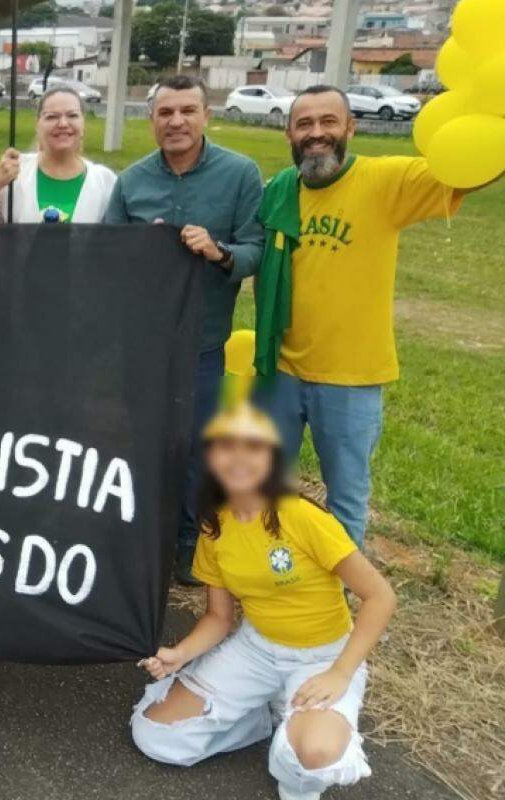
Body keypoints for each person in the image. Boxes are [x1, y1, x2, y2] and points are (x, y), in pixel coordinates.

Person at [253, 85, 491, 548]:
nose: (316, 133)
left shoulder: (385, 180)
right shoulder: (280, 192)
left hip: (351, 377)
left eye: (328, 122)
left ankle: (338, 603)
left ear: (350, 128)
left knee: (345, 497)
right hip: (282, 367)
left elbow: (465, 171)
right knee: (268, 486)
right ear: (289, 133)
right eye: (304, 124)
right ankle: (276, 582)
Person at [131, 403, 397, 800]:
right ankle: (263, 718)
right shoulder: (214, 526)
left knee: (314, 755)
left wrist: (340, 673)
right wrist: (181, 654)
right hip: (256, 649)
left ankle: (295, 772)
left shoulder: (302, 517)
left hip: (322, 656)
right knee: (154, 735)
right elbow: (220, 618)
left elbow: (380, 596)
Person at [104, 74, 266, 585]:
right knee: (140, 442)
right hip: (145, 345)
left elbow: (255, 250)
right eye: (165, 112)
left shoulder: (240, 174)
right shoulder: (131, 181)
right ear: (151, 120)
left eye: (187, 111)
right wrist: (140, 249)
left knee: (197, 446)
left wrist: (217, 251)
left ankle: (188, 544)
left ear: (205, 116)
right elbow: (106, 254)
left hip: (202, 342)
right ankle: (140, 537)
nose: (176, 121)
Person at [0, 86, 116, 223]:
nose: (63, 124)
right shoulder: (15, 171)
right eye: (52, 117)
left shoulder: (105, 182)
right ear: (38, 124)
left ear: (83, 122)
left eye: (72, 115)